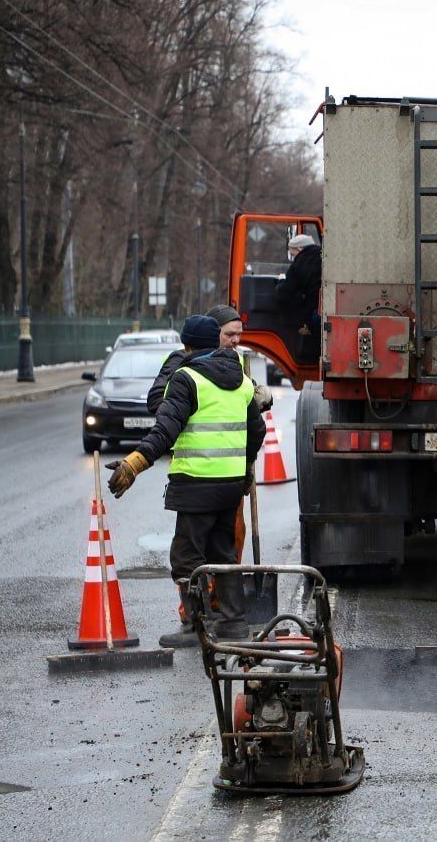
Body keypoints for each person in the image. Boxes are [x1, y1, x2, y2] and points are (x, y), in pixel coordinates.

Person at [108, 315, 266, 647]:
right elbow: (257, 430)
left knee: (186, 557)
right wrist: (244, 466)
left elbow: (165, 429)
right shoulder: (240, 379)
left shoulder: (186, 378)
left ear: (187, 346)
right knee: (224, 552)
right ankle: (233, 624)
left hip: (196, 483)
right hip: (231, 485)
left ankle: (198, 627)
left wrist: (135, 463)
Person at [275, 234, 322, 334]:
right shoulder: (323, 256)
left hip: (313, 314)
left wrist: (281, 281)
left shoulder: (301, 262)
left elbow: (284, 292)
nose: (293, 258)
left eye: (293, 254)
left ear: (300, 249)